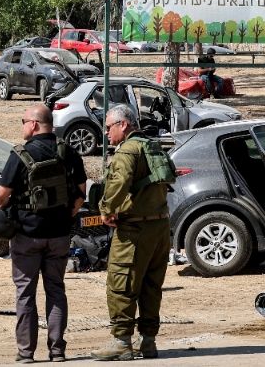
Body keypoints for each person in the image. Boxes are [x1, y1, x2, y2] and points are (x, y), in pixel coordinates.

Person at [0, 104, 87, 364]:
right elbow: (81, 191)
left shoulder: (20, 154)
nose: (22, 125)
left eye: (23, 121)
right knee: (56, 290)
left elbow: (1, 197)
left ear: (34, 124)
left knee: (26, 293)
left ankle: (26, 353)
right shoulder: (68, 152)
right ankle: (57, 351)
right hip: (59, 235)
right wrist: (68, 214)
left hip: (26, 235)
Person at [91, 104, 171, 361]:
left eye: (108, 128)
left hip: (134, 231)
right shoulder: (152, 146)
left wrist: (106, 208)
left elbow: (119, 182)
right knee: (151, 285)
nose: (106, 134)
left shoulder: (127, 150)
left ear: (123, 125)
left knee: (121, 283)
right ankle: (147, 341)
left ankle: (122, 341)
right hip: (159, 228)